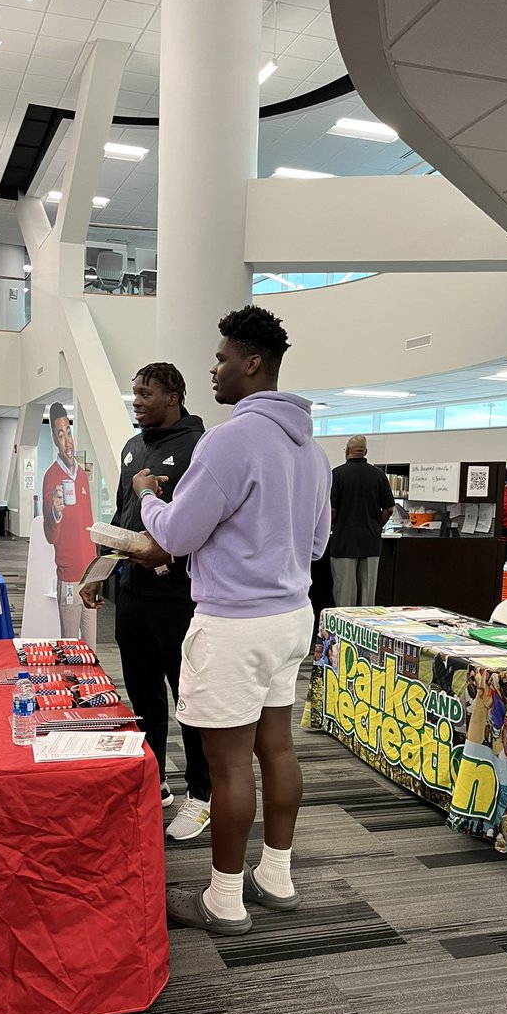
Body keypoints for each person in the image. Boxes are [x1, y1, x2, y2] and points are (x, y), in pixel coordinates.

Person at [132, 305, 331, 935]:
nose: (213, 370)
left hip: (234, 624)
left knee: (227, 767)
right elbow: (318, 545)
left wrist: (147, 499)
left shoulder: (229, 440)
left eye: (221, 359)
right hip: (292, 618)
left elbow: (180, 534)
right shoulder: (314, 451)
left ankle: (224, 899)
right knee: (277, 748)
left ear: (252, 364)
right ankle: (276, 874)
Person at [78, 363, 213, 833]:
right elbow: (122, 513)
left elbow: (205, 524)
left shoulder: (200, 446)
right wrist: (97, 570)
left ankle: (201, 793)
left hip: (181, 597)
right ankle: (154, 778)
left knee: (189, 698)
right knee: (143, 695)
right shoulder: (133, 447)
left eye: (145, 393)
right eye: (133, 393)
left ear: (174, 396)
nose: (136, 401)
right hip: (133, 593)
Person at [41, 402, 97, 643]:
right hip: (70, 579)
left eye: (69, 432)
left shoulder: (82, 476)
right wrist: (55, 512)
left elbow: (88, 523)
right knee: (71, 647)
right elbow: (49, 535)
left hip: (90, 576)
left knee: (92, 648)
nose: (67, 441)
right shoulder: (51, 477)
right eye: (61, 435)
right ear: (54, 439)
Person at [329, 434, 395, 607]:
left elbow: (332, 510)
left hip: (344, 541)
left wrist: (332, 526)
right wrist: (375, 526)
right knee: (367, 599)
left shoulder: (337, 474)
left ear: (347, 451)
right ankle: (366, 630)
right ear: (365, 452)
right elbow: (389, 509)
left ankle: (345, 632)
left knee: (344, 595)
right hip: (371, 543)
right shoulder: (379, 475)